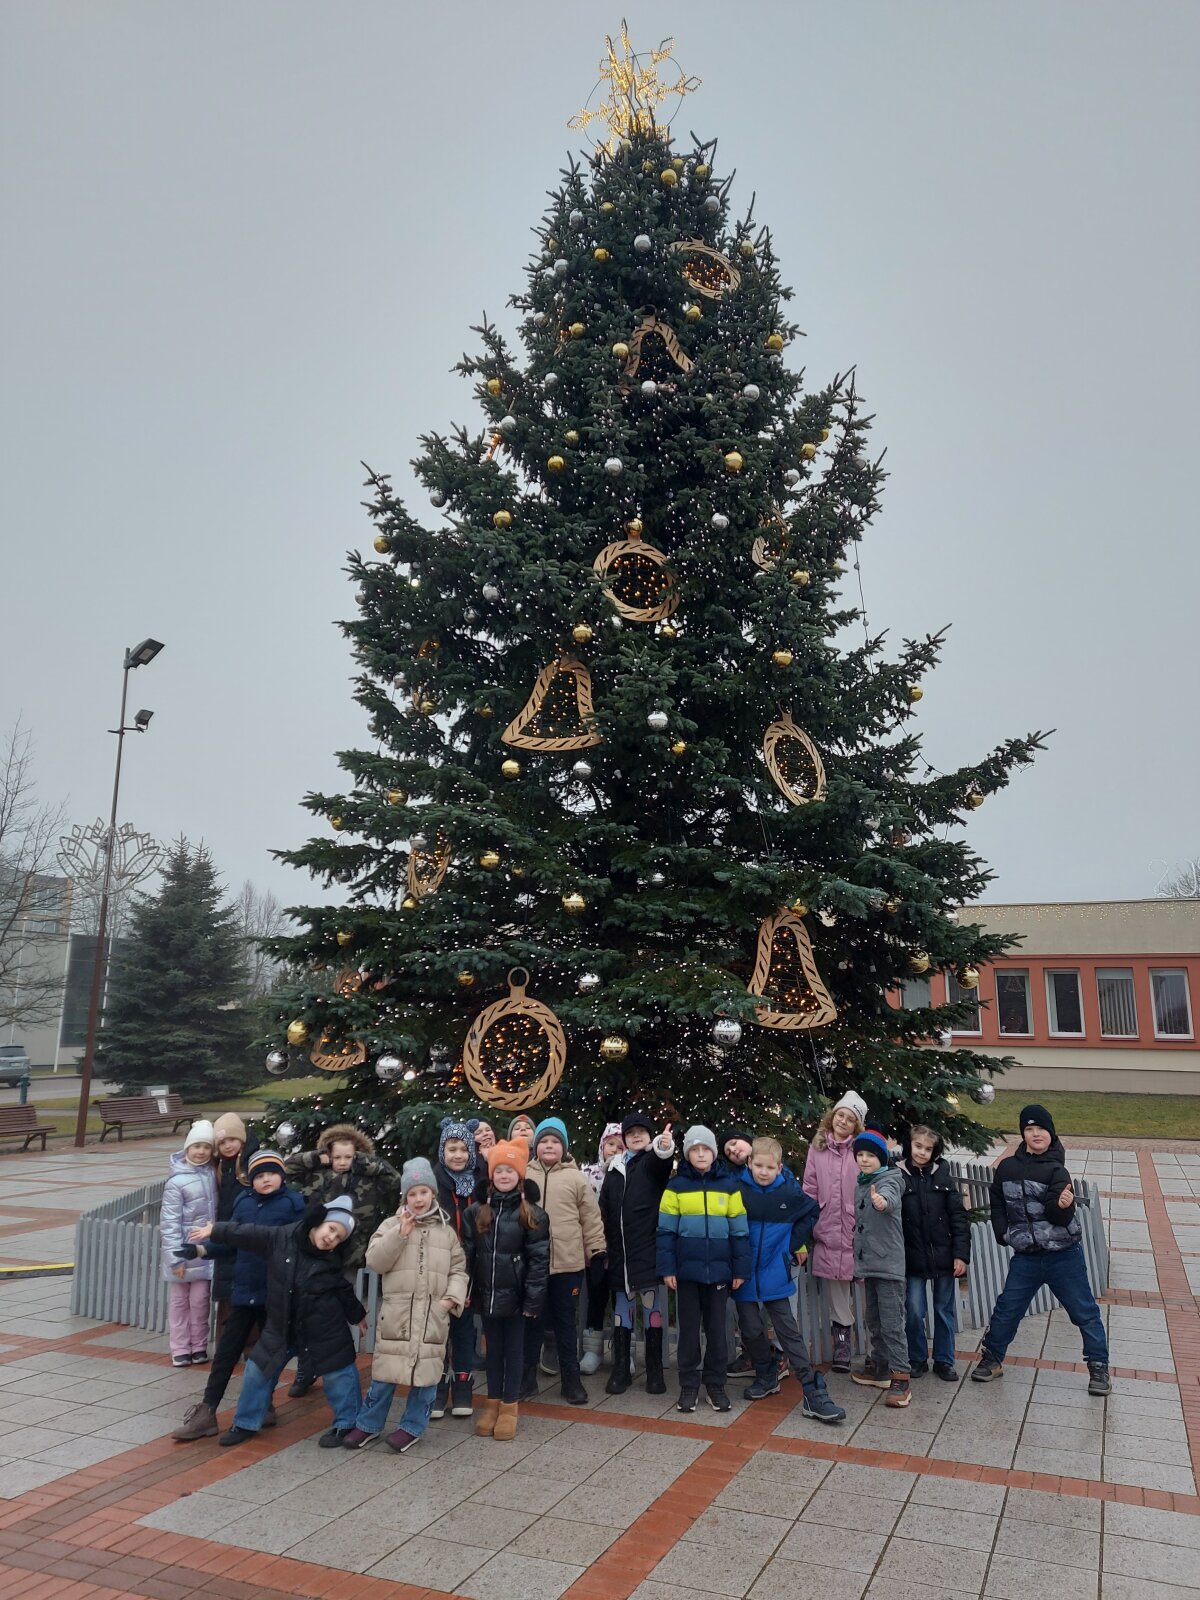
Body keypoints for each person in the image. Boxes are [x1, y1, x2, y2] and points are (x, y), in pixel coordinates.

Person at [188, 1194, 367, 1447]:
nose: (331, 1238)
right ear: (318, 1221)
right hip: (282, 1324)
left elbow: (342, 1289)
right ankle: (246, 1422)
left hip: (323, 1327)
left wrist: (357, 1315)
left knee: (340, 1373)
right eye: (331, 1229)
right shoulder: (282, 1236)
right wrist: (216, 1230)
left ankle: (347, 1423)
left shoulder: (331, 1260)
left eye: (339, 1237)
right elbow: (248, 1233)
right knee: (257, 1371)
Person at [972, 1105, 1110, 1395]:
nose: (1036, 1134)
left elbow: (1058, 1216)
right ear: (1023, 1134)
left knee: (1084, 1311)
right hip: (1027, 1257)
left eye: (1041, 1129)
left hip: (1063, 1255)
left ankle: (1098, 1367)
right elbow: (997, 1202)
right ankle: (992, 1359)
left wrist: (1064, 1206)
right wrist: (1003, 1233)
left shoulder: (1057, 1170)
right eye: (1029, 1129)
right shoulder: (1007, 1168)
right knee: (1007, 1308)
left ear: (1051, 1133)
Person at [172, 1149, 305, 1441]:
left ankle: (265, 1405)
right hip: (245, 1291)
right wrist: (202, 1250)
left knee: (268, 1355)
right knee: (226, 1353)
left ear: (282, 1176)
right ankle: (206, 1411)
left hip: (276, 1293)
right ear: (250, 1179)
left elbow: (299, 1246)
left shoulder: (293, 1204)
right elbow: (232, 1242)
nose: (265, 1179)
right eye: (259, 1175)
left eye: (271, 1174)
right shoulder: (243, 1202)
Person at [342, 1158, 469, 1452]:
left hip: (432, 1317)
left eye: (424, 1192)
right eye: (412, 1194)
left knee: (426, 1378)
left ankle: (412, 1426)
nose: (418, 1199)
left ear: (433, 1194)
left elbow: (458, 1270)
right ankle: (368, 1424)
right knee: (384, 1375)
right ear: (405, 1197)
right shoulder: (390, 1225)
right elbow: (375, 1261)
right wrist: (400, 1233)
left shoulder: (446, 1232)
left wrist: (450, 1299)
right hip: (397, 1317)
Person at [284, 1123, 400, 1396]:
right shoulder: (318, 1171)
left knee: (338, 1312)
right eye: (337, 1156)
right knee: (308, 1311)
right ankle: (306, 1368)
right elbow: (287, 1167)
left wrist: (364, 1162)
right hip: (315, 1252)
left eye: (348, 1157)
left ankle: (338, 1369)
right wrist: (316, 1158)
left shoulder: (367, 1175)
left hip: (349, 1255)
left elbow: (394, 1180)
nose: (342, 1162)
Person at [733, 1137, 844, 1423]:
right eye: (759, 1165)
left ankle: (811, 1388)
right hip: (744, 1274)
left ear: (780, 1167)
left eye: (770, 1167)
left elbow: (811, 1210)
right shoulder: (736, 1189)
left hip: (775, 1272)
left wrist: (792, 1245)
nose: (764, 1171)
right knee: (750, 1328)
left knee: (787, 1330)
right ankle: (765, 1374)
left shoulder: (788, 1191)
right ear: (749, 1163)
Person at [657, 1125, 750, 1414]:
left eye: (705, 1149)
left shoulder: (729, 1186)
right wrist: (668, 1268)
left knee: (717, 1331)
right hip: (686, 1274)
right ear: (687, 1154)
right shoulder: (676, 1187)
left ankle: (715, 1384)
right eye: (694, 1149)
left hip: (720, 1274)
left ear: (713, 1153)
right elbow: (666, 1232)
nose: (700, 1154)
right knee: (688, 1332)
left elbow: (739, 1231)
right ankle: (688, 1384)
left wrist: (739, 1270)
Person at [462, 1139, 550, 1441]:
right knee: (493, 1351)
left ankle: (510, 1407)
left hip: (516, 1297)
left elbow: (539, 1260)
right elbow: (468, 1255)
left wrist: (533, 1299)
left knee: (513, 1351)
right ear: (491, 1175)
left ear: (520, 1176)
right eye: (498, 1170)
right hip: (487, 1293)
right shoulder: (476, 1212)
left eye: (509, 1170)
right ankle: (492, 1403)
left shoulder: (533, 1214)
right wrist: (465, 1290)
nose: (503, 1175)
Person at [524, 1117, 606, 1405]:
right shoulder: (525, 1174)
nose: (549, 1146)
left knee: (565, 1323)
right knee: (531, 1322)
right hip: (532, 1265)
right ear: (536, 1146)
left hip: (568, 1264)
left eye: (555, 1142)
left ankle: (571, 1380)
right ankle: (526, 1378)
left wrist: (597, 1252)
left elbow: (591, 1218)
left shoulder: (576, 1178)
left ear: (564, 1147)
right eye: (544, 1141)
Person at [599, 1112, 676, 1395]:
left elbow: (662, 1161)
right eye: (630, 1133)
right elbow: (604, 1209)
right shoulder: (614, 1168)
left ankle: (654, 1371)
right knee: (622, 1313)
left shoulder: (650, 1163)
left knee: (652, 1312)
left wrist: (664, 1147)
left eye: (641, 1132)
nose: (636, 1136)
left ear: (649, 1136)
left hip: (647, 1252)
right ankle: (621, 1369)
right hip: (620, 1255)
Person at [899, 1124, 970, 1380]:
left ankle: (944, 1359)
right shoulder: (898, 1175)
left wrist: (960, 1255)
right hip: (913, 1257)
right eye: (918, 1146)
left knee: (943, 1309)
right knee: (914, 1309)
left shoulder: (943, 1177)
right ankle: (917, 1358)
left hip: (944, 1256)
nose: (922, 1152)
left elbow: (958, 1218)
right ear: (909, 1145)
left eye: (928, 1149)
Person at [803, 1089, 867, 1371]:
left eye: (850, 1119)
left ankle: (875, 1344)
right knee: (837, 1290)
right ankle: (842, 1343)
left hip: (857, 1227)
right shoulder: (817, 1148)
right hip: (828, 1227)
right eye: (840, 1115)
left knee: (866, 1288)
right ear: (832, 1117)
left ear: (856, 1125)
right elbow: (810, 1187)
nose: (843, 1121)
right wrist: (812, 1219)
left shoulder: (861, 1150)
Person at [848, 1129, 911, 1408]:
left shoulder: (890, 1179)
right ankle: (880, 1367)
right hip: (870, 1264)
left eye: (870, 1155)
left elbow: (890, 1198)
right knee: (873, 1319)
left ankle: (901, 1378)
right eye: (860, 1154)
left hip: (888, 1265)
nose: (864, 1160)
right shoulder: (862, 1183)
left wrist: (882, 1202)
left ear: (881, 1158)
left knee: (892, 1323)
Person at [431, 1116, 482, 1419]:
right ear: (442, 1151)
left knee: (463, 1330)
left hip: (469, 1269)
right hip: (439, 1267)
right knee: (438, 1330)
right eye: (452, 1149)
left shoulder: (479, 1182)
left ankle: (463, 1386)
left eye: (464, 1149)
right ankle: (437, 1387)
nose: (458, 1155)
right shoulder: (433, 1182)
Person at [160, 1121, 218, 1368]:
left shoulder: (212, 1175)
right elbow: (169, 1223)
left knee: (200, 1302)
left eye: (206, 1147)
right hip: (182, 1254)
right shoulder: (176, 1182)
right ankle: (180, 1348)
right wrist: (175, 1259)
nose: (201, 1151)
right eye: (196, 1146)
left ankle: (199, 1346)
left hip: (203, 1253)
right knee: (179, 1303)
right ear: (187, 1148)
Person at [580, 1123, 624, 1375]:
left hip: (621, 1250)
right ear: (602, 1146)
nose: (614, 1150)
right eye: (610, 1145)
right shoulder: (588, 1174)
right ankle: (592, 1349)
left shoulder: (628, 1174)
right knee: (596, 1300)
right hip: (595, 1250)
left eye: (620, 1147)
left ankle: (623, 1349)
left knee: (622, 1301)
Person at [211, 1113, 257, 1332]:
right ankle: (227, 1341)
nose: (228, 1146)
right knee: (227, 1292)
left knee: (249, 1288)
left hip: (248, 1236)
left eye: (232, 1140)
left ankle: (250, 1342)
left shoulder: (251, 1163)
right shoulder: (220, 1166)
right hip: (225, 1235)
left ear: (242, 1139)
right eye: (222, 1142)